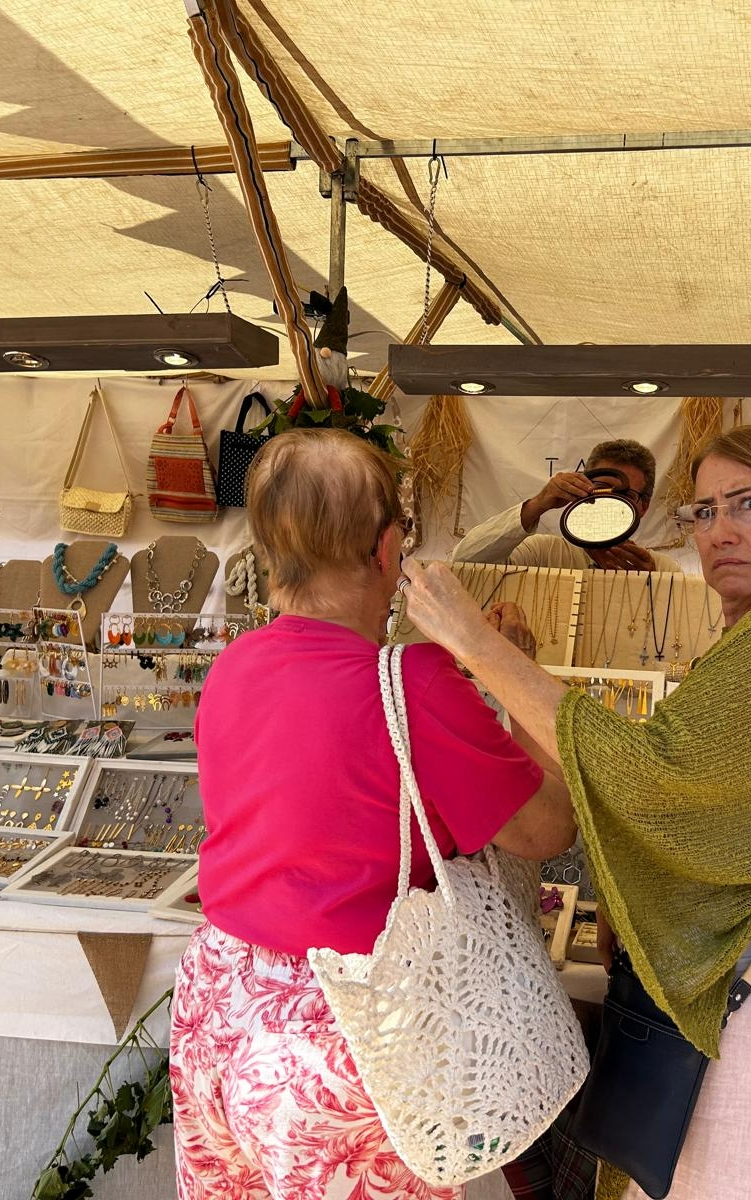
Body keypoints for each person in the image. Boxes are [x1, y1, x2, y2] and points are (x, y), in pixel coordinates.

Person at [403, 424, 751, 1200]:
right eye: (705, 511)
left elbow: (658, 782)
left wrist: (476, 646)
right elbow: (715, 806)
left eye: (749, 504)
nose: (720, 531)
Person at [169, 427, 576, 1200]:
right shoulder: (413, 682)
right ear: (388, 548)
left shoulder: (233, 667)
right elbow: (547, 827)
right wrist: (513, 672)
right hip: (348, 1033)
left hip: (218, 1007)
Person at [453, 438, 682, 573]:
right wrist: (538, 504)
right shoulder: (543, 554)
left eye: (624, 494)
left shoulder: (662, 569)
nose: (609, 503)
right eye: (601, 489)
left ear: (643, 507)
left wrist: (653, 587)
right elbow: (464, 561)